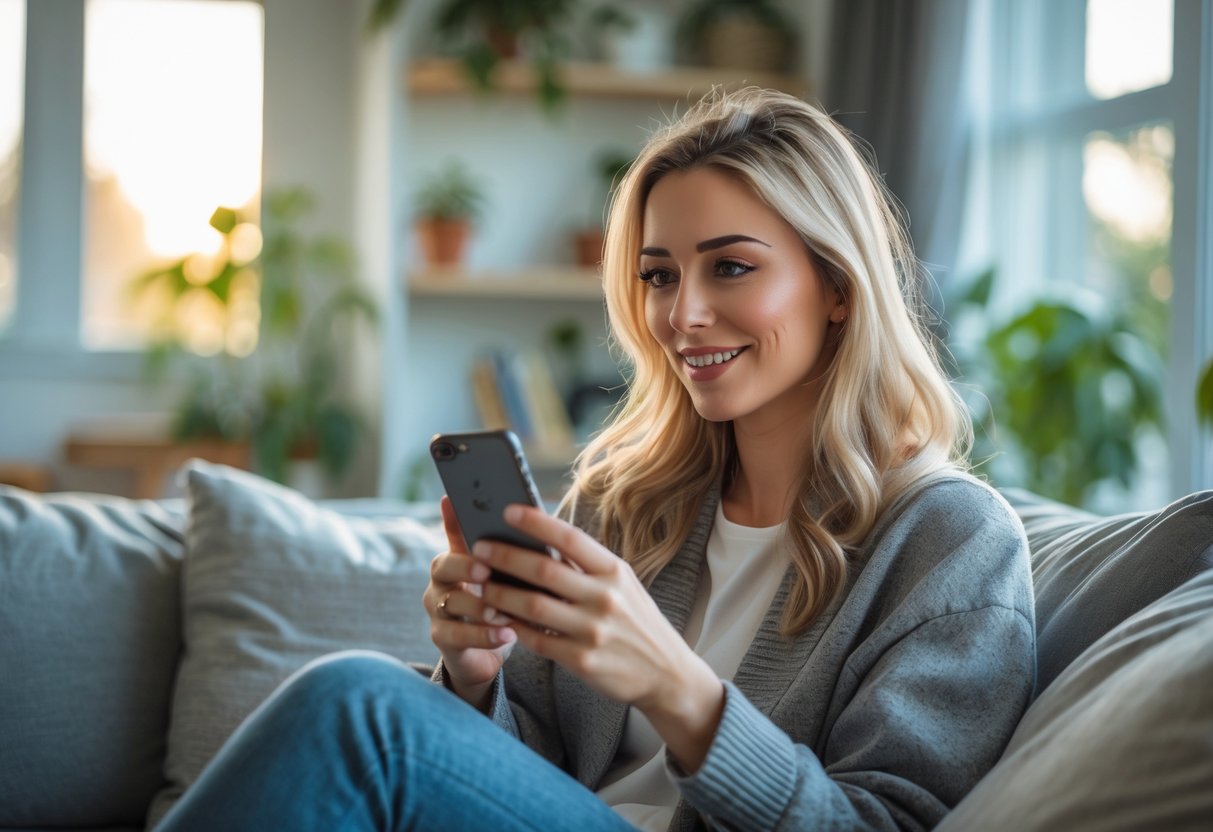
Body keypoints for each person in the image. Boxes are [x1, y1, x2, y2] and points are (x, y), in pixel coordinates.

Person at [158, 87, 1034, 832]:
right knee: (380, 702)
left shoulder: (951, 544)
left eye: (729, 267)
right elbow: (526, 770)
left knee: (357, 708)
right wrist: (473, 680)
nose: (682, 314)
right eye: (658, 275)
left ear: (837, 288)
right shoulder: (627, 503)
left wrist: (677, 689)